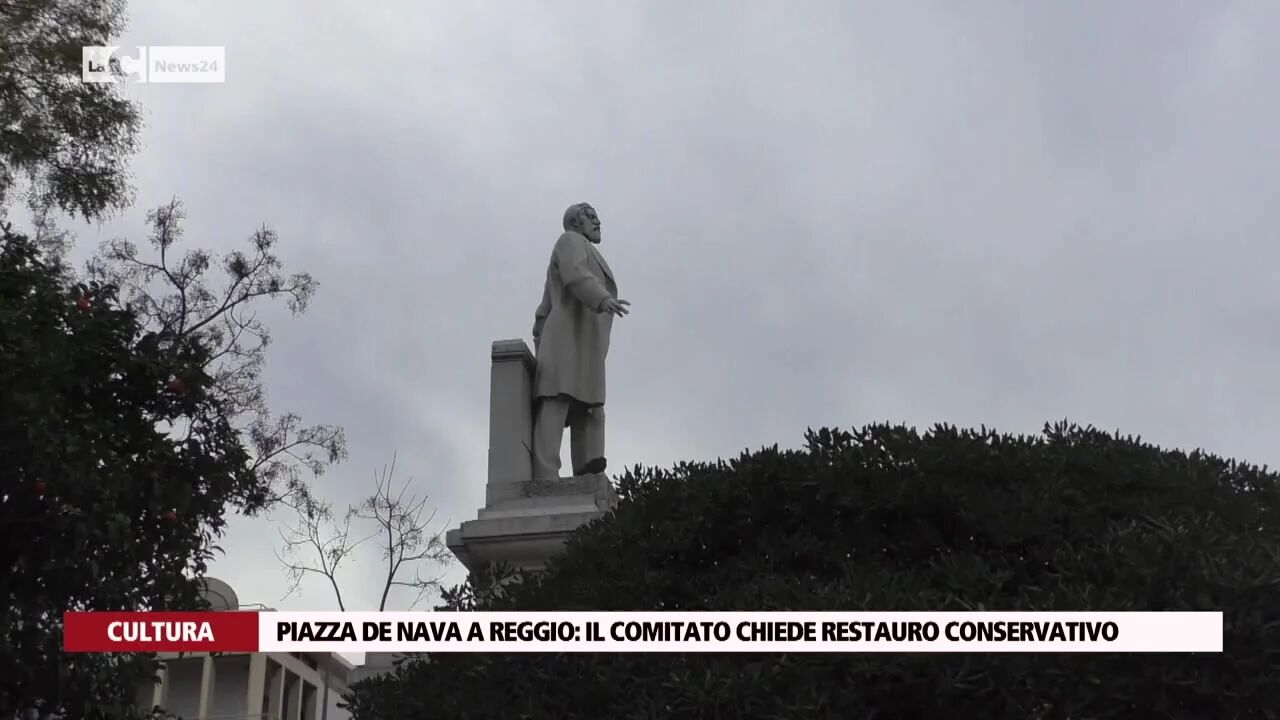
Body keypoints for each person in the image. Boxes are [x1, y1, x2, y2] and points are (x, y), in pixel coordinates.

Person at [531, 203, 630, 480]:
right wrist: (603, 298)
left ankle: (589, 468)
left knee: (591, 407)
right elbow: (574, 274)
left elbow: (544, 305)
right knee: (558, 399)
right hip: (566, 336)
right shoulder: (570, 241)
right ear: (576, 223)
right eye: (591, 217)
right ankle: (546, 473)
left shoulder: (585, 248)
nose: (599, 221)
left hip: (585, 342)